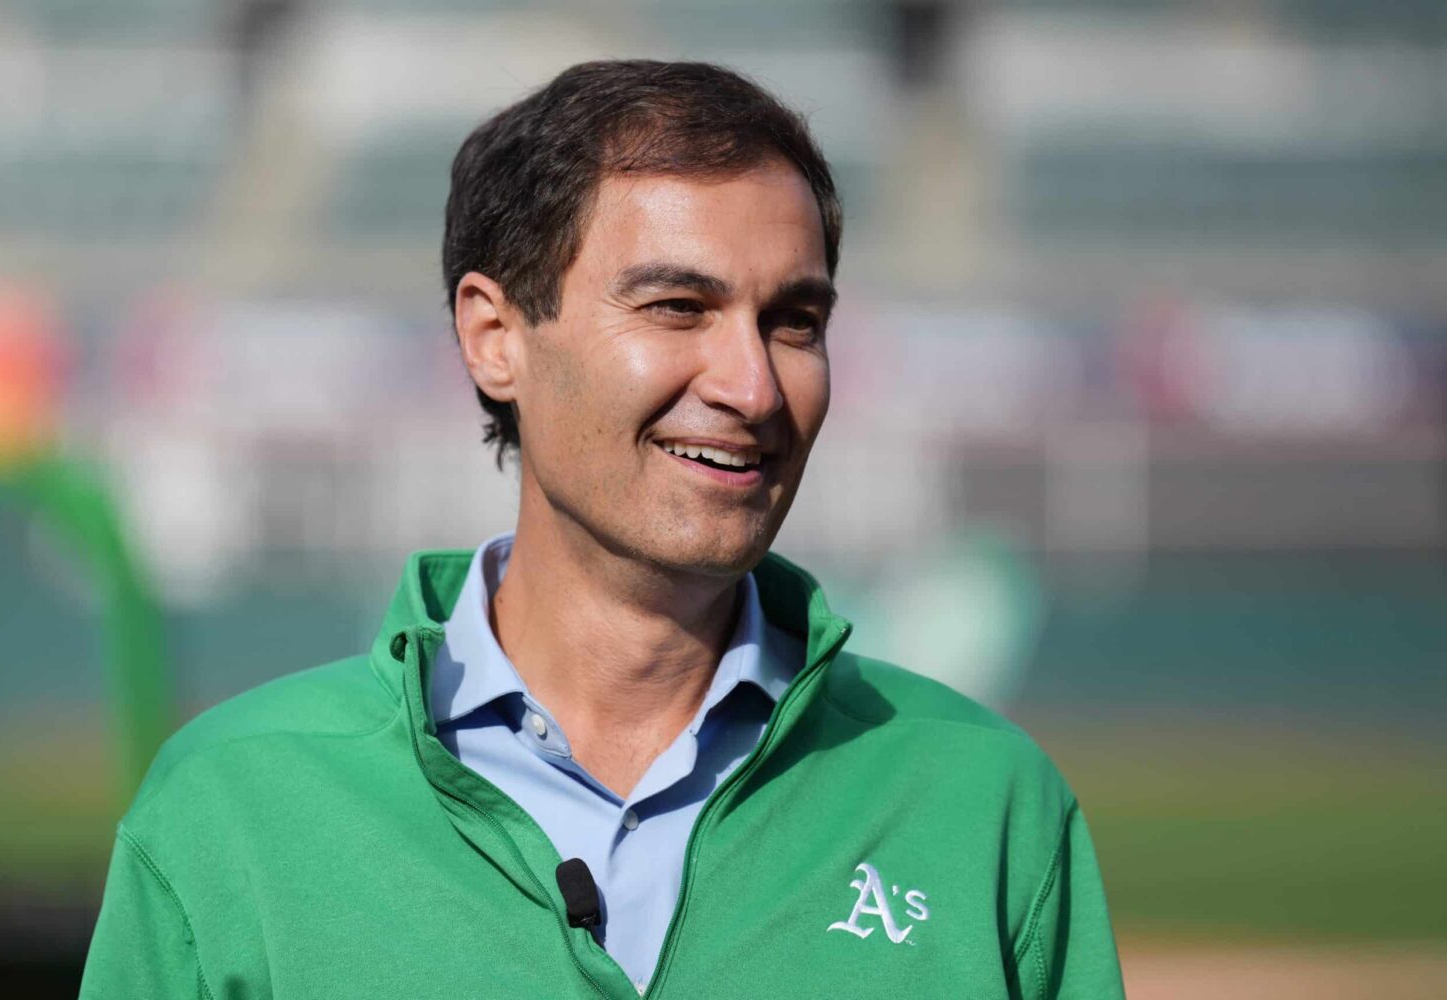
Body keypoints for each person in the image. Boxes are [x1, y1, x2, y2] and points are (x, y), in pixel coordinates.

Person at [81, 60, 1124, 999]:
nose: (753, 384)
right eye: (677, 306)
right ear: (495, 337)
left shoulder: (986, 801)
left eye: (794, 320)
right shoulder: (231, 807)